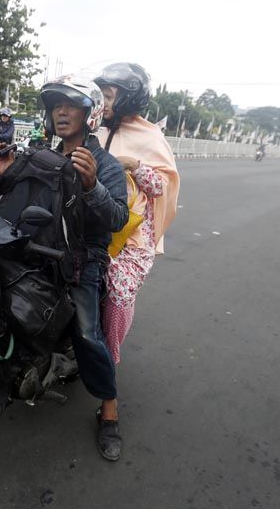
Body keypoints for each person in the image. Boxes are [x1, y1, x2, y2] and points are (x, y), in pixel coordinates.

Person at [0, 75, 129, 461]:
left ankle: (109, 409)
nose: (61, 111)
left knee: (87, 334)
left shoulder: (104, 163)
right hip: (38, 247)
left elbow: (118, 218)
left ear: (90, 114)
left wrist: (92, 186)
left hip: (81, 258)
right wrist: (6, 175)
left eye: (70, 105)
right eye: (56, 104)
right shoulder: (41, 153)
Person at [93, 62, 179, 366]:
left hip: (131, 237)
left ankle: (108, 359)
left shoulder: (150, 137)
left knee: (118, 286)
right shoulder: (95, 129)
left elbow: (162, 186)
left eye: (108, 96)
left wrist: (134, 165)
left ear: (128, 99)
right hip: (94, 223)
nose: (102, 102)